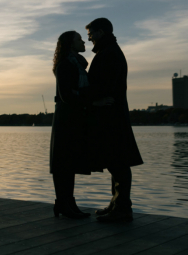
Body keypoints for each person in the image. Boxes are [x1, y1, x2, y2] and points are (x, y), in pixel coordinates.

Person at [86, 18, 143, 223]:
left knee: (117, 162)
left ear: (101, 32)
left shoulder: (109, 53)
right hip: (113, 113)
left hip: (111, 114)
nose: (89, 37)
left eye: (91, 33)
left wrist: (94, 99)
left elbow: (104, 84)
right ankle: (116, 204)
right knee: (115, 161)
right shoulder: (109, 51)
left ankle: (122, 208)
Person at [50, 31, 112, 219]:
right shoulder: (65, 65)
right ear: (70, 44)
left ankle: (68, 203)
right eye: (79, 39)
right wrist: (94, 103)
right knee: (63, 163)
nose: (83, 41)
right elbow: (66, 95)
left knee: (69, 162)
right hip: (66, 120)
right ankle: (63, 203)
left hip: (75, 118)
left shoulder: (77, 65)